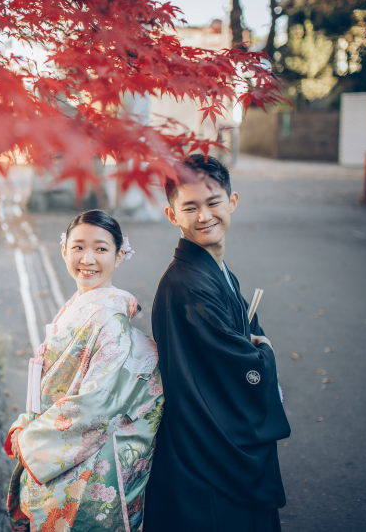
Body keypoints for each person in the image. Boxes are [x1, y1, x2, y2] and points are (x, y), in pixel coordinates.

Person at [143, 155, 290, 532]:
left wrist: (251, 346)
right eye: (190, 207)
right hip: (205, 450)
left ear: (233, 202)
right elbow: (236, 363)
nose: (204, 215)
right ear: (172, 214)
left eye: (213, 203)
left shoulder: (213, 271)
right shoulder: (187, 284)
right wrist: (264, 354)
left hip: (203, 439)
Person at [5, 210, 164, 532]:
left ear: (119, 256)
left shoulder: (110, 320)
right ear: (64, 250)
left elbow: (99, 402)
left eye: (101, 249)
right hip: (60, 434)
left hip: (87, 454)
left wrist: (33, 437)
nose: (87, 258)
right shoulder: (82, 306)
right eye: (78, 247)